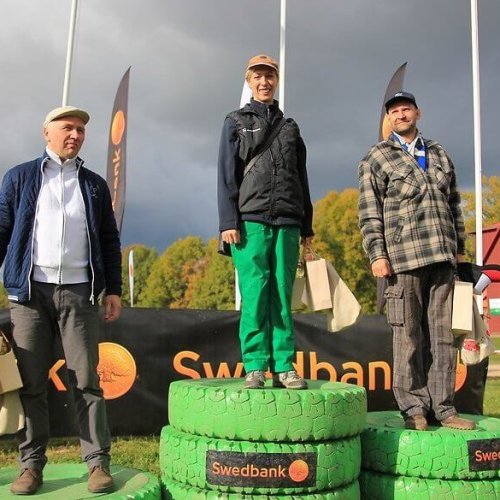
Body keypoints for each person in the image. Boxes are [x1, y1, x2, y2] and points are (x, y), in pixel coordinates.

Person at [0, 106, 122, 494]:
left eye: (81, 129)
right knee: (31, 383)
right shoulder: (18, 177)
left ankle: (97, 464)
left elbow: (109, 240)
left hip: (80, 292)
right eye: (67, 127)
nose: (75, 134)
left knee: (86, 381)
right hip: (28, 294)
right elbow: (2, 230)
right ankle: (30, 466)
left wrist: (113, 289)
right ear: (46, 133)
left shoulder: (95, 185)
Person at [358, 91, 475, 431]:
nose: (401, 115)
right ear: (389, 119)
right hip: (403, 258)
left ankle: (444, 408)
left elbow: (454, 204)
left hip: (442, 257)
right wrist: (377, 254)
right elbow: (369, 211)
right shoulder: (377, 157)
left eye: (406, 109)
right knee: (407, 336)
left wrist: (459, 249)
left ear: (417, 113)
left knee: (442, 337)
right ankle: (413, 409)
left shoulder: (438, 152)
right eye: (394, 111)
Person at [217, 54, 314, 390]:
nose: (264, 82)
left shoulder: (290, 127)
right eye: (257, 76)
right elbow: (226, 174)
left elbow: (302, 177)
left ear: (276, 81)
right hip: (249, 221)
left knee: (282, 295)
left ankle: (284, 365)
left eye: (269, 76)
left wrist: (307, 225)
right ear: (249, 81)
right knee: (255, 292)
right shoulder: (235, 121)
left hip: (288, 220)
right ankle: (256, 365)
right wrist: (228, 221)